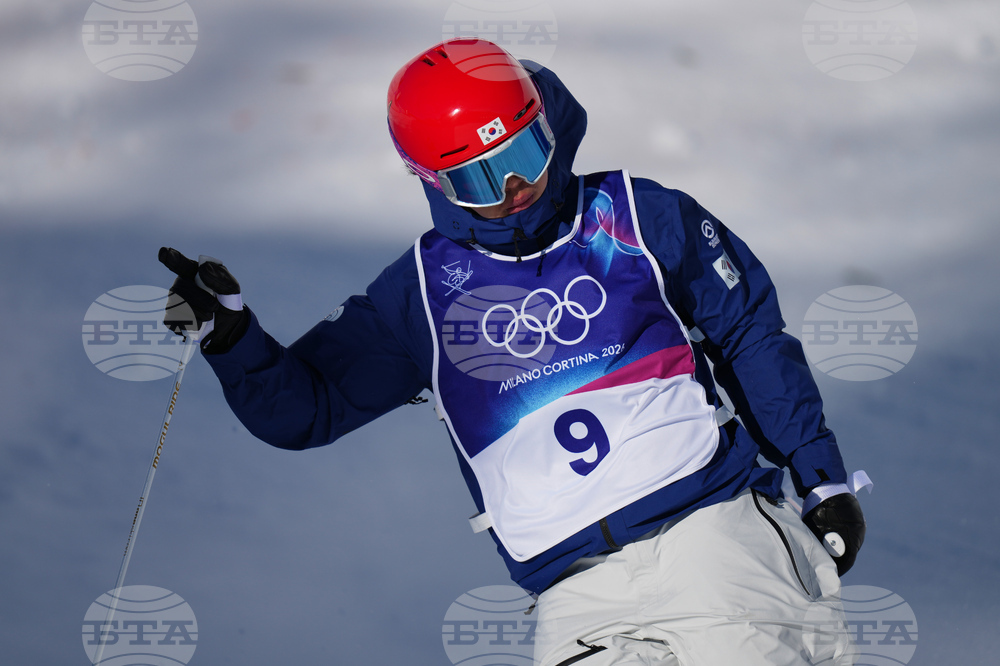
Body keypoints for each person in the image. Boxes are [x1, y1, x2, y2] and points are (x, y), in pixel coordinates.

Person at [160, 39, 868, 665]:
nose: (516, 189)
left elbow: (747, 331)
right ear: (431, 182)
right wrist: (232, 336)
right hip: (577, 599)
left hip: (715, 543)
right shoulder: (420, 296)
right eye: (479, 179)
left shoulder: (640, 218)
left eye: (524, 156)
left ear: (545, 126)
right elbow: (306, 410)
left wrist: (822, 478)